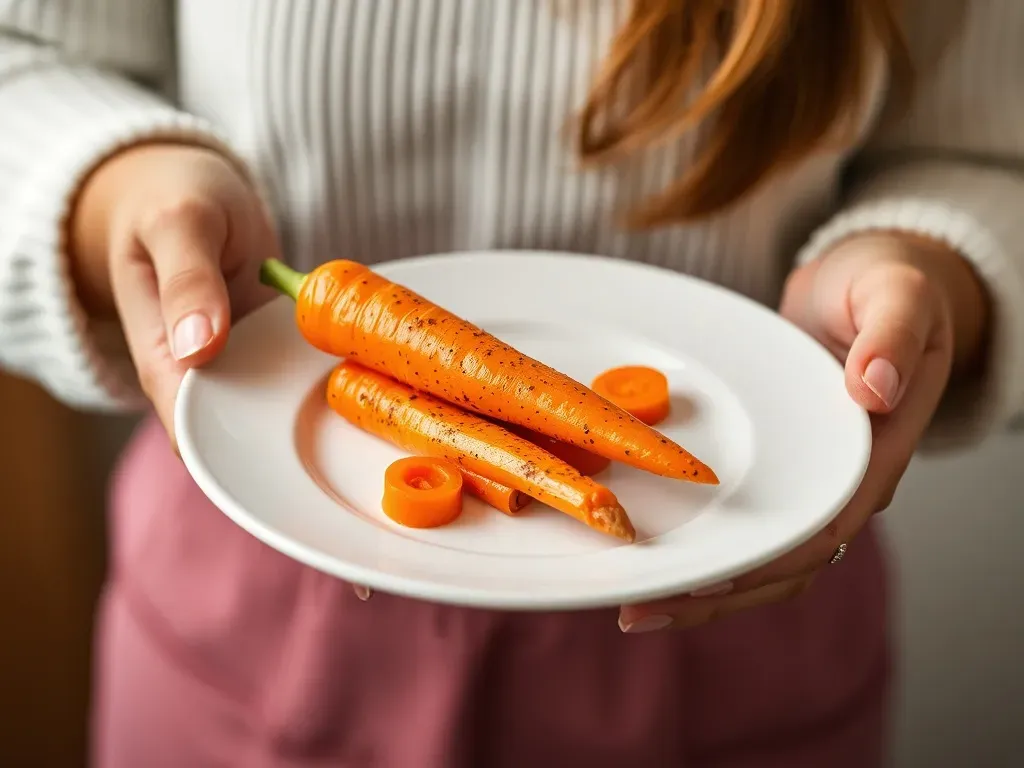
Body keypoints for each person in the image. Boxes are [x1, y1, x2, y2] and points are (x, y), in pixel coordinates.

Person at [1, 0, 1021, 765]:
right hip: (246, 601)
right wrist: (123, 190)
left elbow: (987, 150)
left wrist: (924, 271)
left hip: (733, 601)